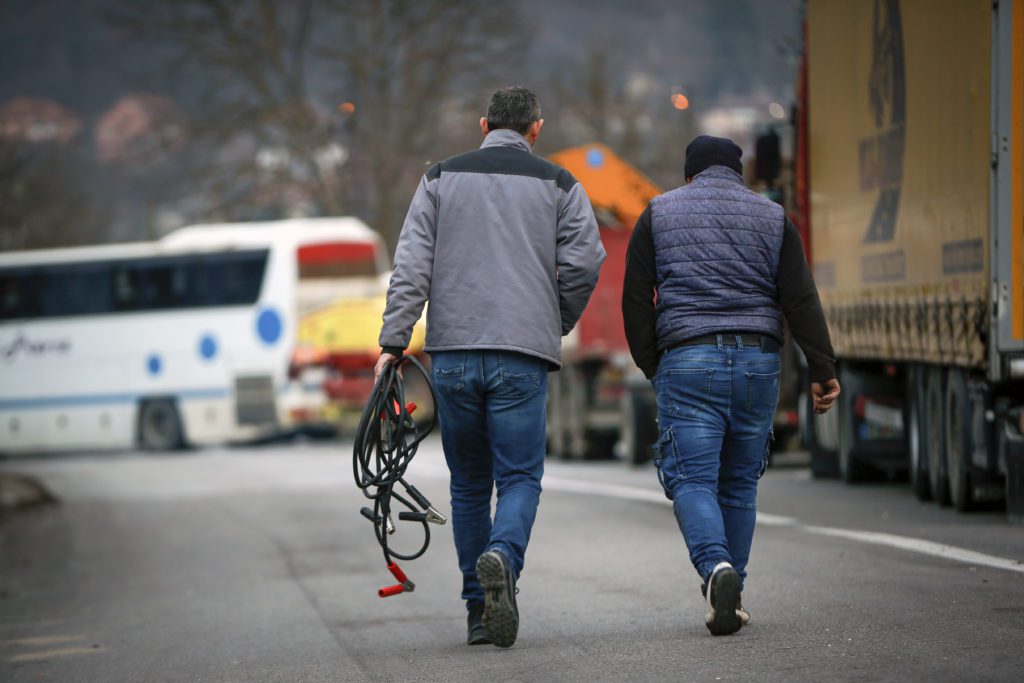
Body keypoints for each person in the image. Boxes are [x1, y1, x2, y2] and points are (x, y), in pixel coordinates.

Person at [375, 86, 605, 648]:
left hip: (452, 356)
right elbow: (585, 260)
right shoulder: (559, 184)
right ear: (536, 129)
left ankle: (479, 613)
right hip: (521, 355)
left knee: (470, 483)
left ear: (483, 125)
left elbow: (411, 265)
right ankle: (502, 555)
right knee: (520, 476)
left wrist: (393, 342)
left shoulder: (437, 179)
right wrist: (557, 320)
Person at [621, 135, 839, 636]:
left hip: (689, 359)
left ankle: (717, 570)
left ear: (690, 174)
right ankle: (732, 590)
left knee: (692, 480)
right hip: (760, 362)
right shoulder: (772, 216)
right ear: (739, 173)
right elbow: (801, 298)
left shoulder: (659, 213)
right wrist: (823, 369)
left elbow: (636, 299)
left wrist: (656, 367)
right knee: (739, 482)